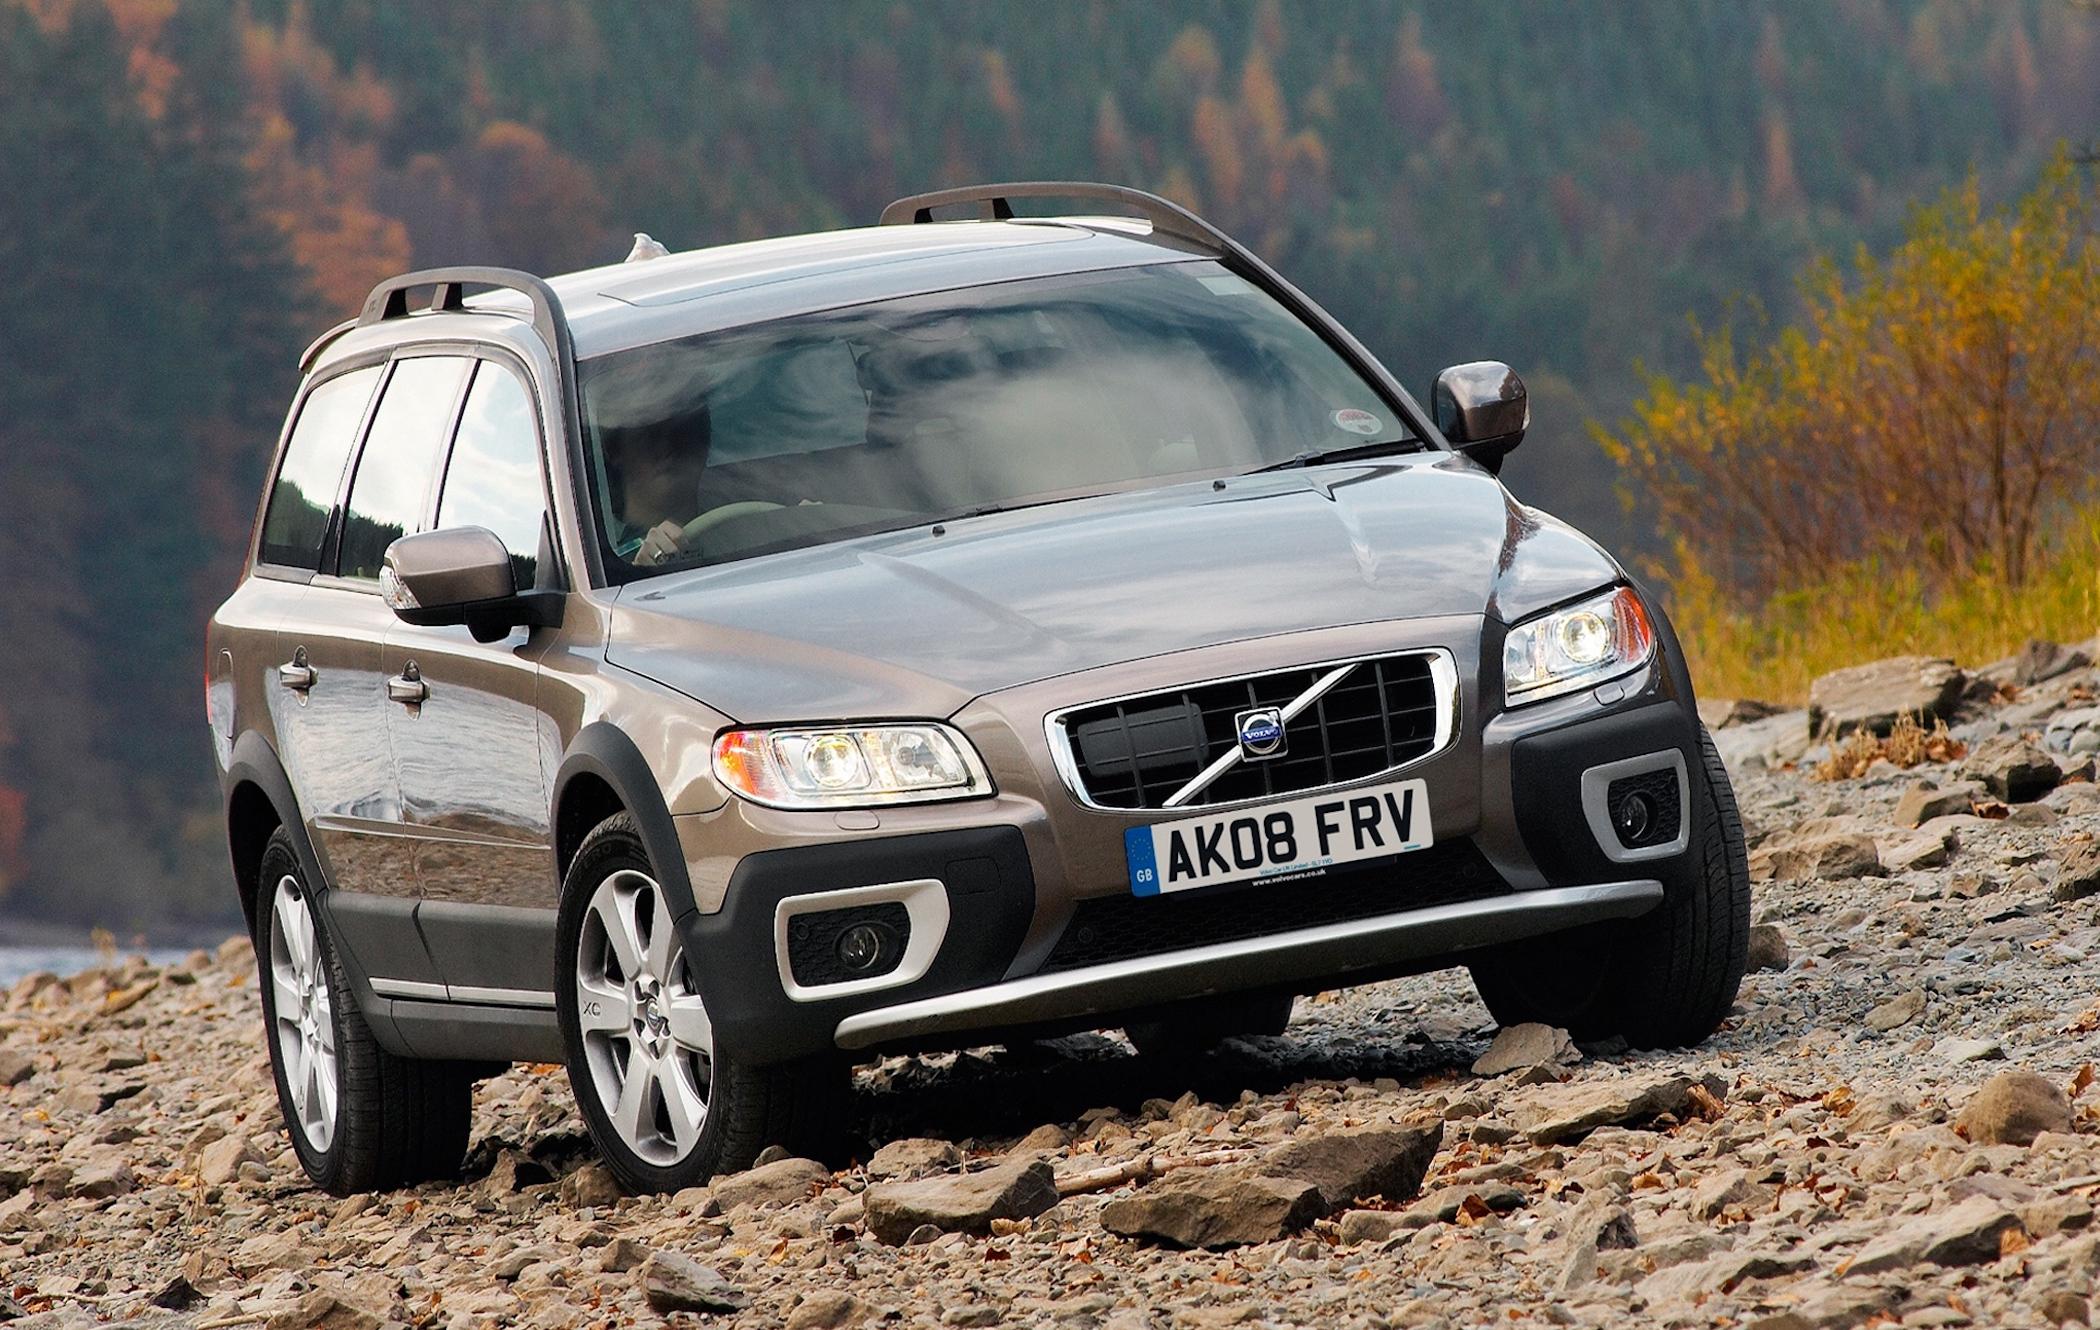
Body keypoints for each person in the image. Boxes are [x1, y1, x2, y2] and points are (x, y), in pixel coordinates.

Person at [601, 401, 710, 567]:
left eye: (680, 432)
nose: (667, 448)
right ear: (615, 451)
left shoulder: (749, 528)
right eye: (650, 435)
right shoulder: (607, 567)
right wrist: (641, 572)